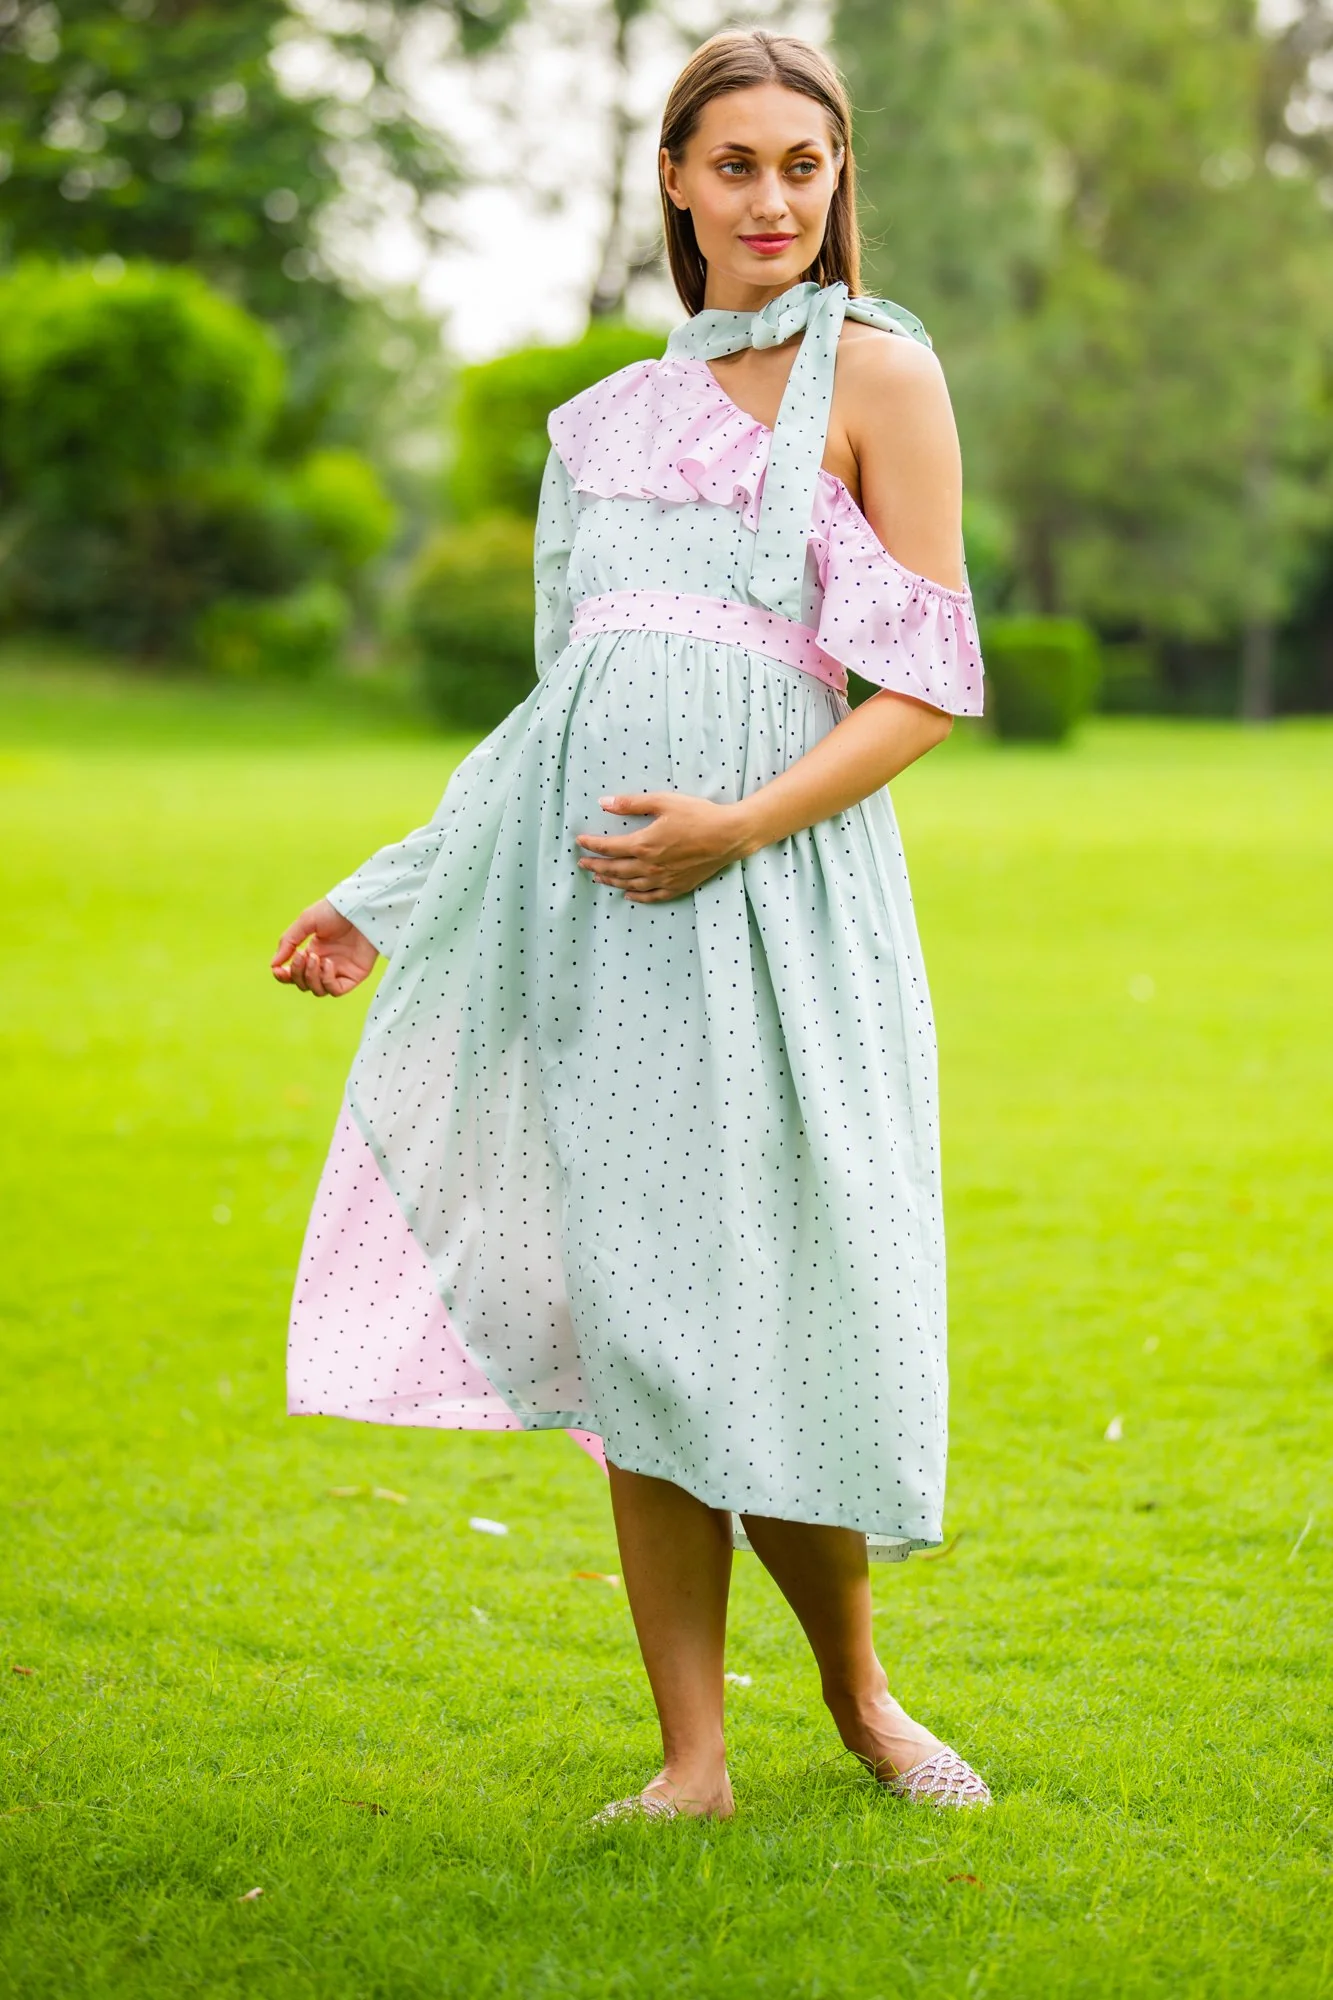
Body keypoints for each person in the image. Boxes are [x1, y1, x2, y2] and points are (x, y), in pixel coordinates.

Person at [272, 27, 990, 1819]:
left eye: (801, 168)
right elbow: (555, 722)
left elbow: (923, 683)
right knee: (644, 1318)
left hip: (783, 916)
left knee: (785, 1306)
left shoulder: (884, 375)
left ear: (837, 185)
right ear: (673, 179)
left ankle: (862, 1694)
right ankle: (692, 1759)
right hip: (603, 936)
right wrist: (385, 892)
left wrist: (737, 825)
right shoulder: (594, 431)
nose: (770, 198)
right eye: (733, 164)